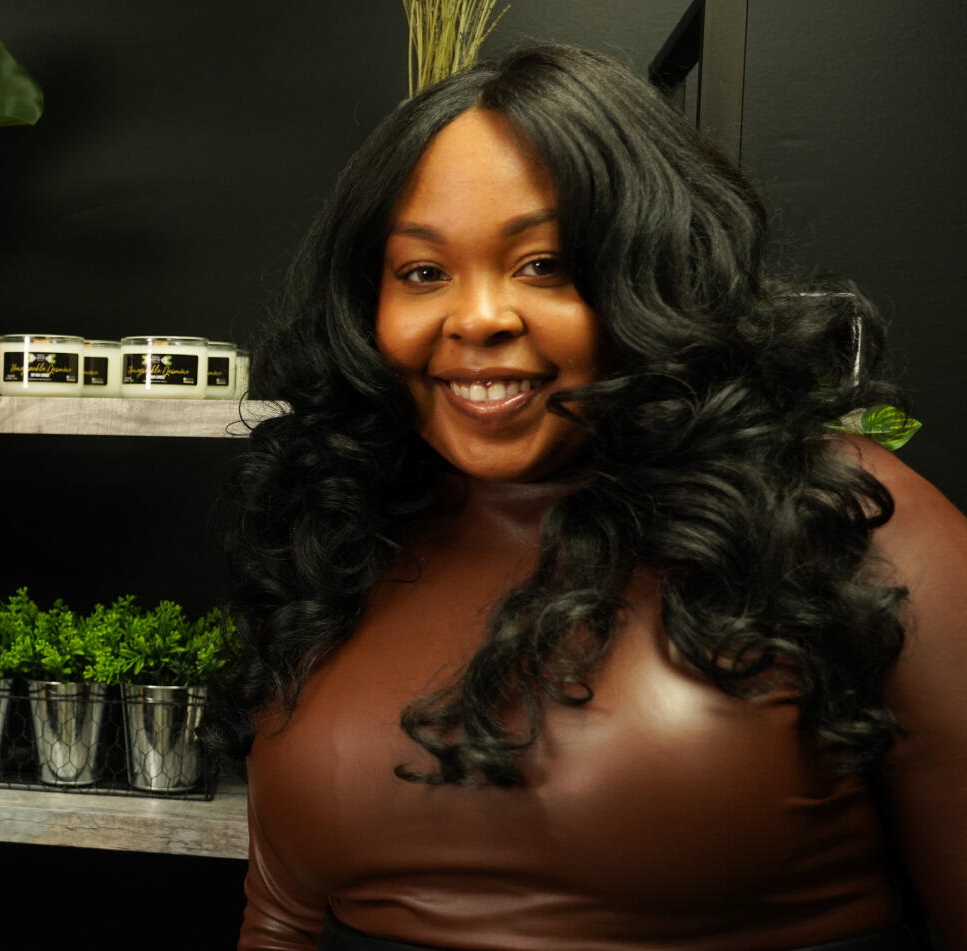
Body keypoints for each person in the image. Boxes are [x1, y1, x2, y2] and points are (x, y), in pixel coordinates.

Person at [210, 44, 967, 951]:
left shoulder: (844, 520)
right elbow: (283, 916)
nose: (478, 315)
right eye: (422, 272)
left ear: (653, 276)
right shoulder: (342, 530)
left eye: (545, 265)